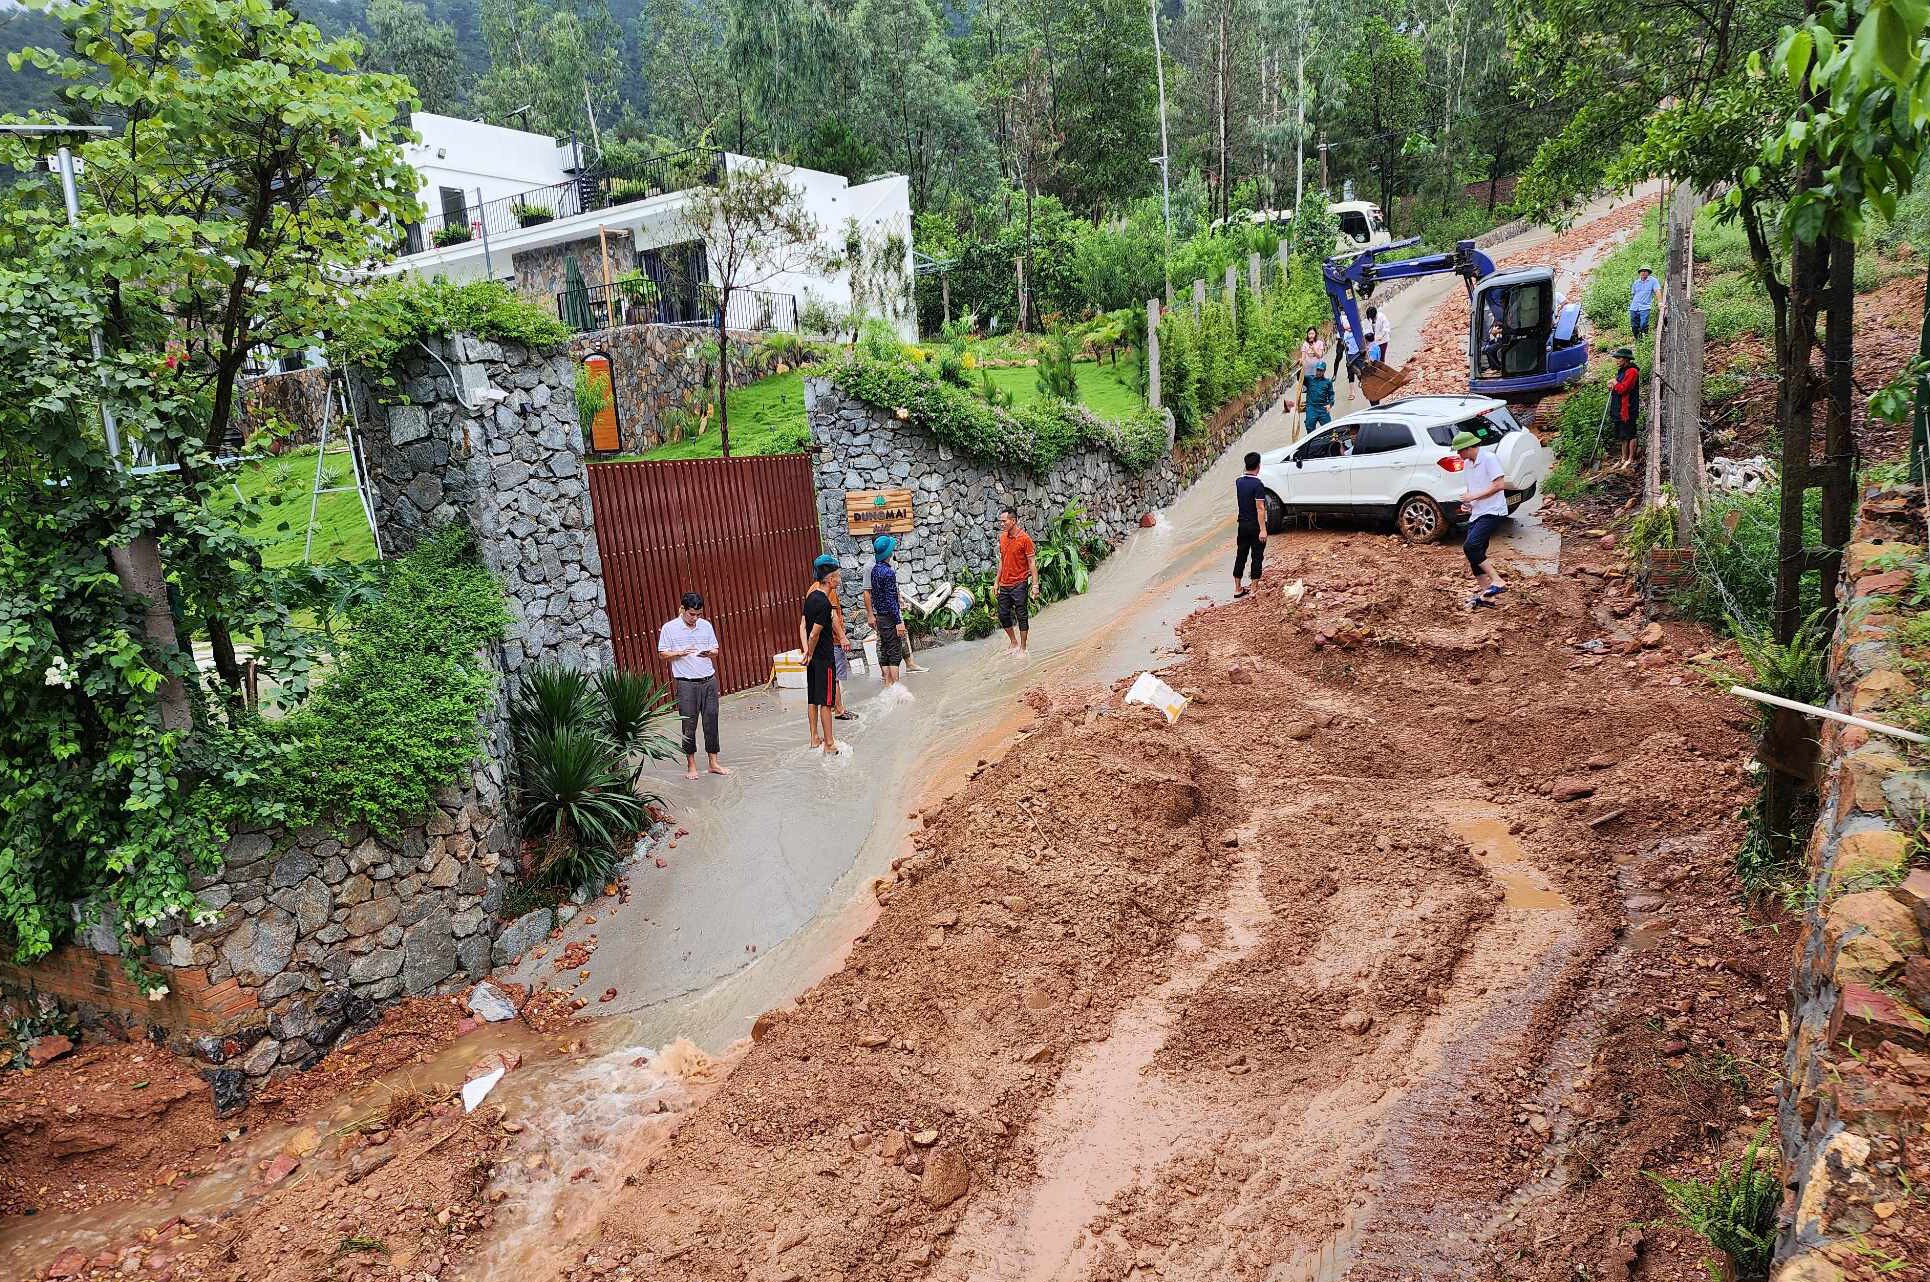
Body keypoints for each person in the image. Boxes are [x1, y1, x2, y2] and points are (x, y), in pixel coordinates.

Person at [658, 591, 728, 780]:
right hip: (686, 683)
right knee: (688, 724)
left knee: (711, 721)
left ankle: (713, 762)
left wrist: (710, 653)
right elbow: (662, 654)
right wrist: (679, 653)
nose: (695, 618)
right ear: (682, 609)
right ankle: (691, 765)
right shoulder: (669, 628)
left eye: (698, 614)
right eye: (691, 614)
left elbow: (716, 649)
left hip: (709, 680)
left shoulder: (705, 626)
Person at [1452, 430, 1510, 609]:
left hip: (1493, 511)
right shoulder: (1468, 464)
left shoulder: (1489, 459)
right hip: (1477, 512)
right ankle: (1488, 596)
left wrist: (1473, 496)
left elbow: (1499, 485)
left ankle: (1498, 581)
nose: (1458, 454)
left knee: (1471, 546)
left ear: (1469, 447)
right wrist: (1468, 504)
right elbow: (1473, 488)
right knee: (1474, 554)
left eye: (1459, 450)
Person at [801, 557, 841, 753]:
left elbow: (802, 626)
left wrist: (806, 652)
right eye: (837, 576)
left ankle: (813, 737)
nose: (839, 579)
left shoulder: (810, 597)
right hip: (824, 658)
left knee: (812, 699)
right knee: (826, 701)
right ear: (830, 579)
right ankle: (829, 743)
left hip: (812, 659)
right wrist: (810, 649)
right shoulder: (824, 604)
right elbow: (815, 633)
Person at [864, 535, 911, 686]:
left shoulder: (875, 570)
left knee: (884, 650)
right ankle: (897, 687)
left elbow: (877, 596)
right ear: (889, 554)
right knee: (894, 653)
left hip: (880, 617)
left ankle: (887, 685)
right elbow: (891, 600)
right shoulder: (888, 573)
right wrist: (898, 622)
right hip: (890, 618)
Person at [995, 507, 1038, 655]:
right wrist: (996, 582)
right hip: (1004, 584)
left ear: (1013, 521)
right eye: (1000, 521)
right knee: (1002, 614)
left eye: (1004, 521)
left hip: (1019, 583)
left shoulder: (1025, 538)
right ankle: (1013, 642)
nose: (1001, 524)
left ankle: (1023, 648)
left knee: (1021, 615)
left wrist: (1035, 586)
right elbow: (1002, 560)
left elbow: (1032, 563)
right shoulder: (1002, 538)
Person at [1233, 451, 1268, 598]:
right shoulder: (1258, 485)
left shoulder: (1238, 482)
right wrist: (1263, 530)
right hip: (1254, 525)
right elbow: (1260, 509)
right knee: (1257, 556)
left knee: (1241, 555)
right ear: (1258, 466)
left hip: (1242, 525)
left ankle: (1238, 588)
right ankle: (1254, 589)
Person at [1609, 347, 1640, 469]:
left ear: (1626, 359)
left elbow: (1623, 389)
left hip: (1628, 408)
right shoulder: (1621, 371)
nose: (1617, 360)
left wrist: (1615, 383)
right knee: (1622, 435)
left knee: (1630, 433)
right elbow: (1617, 387)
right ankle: (1623, 458)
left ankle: (1631, 459)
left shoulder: (1632, 372)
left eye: (1619, 358)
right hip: (1619, 408)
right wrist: (1611, 384)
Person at [1303, 359, 1335, 435]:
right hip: (1311, 407)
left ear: (1324, 371)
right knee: (1309, 425)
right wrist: (1301, 365)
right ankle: (1312, 443)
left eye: (1321, 370)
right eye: (1317, 370)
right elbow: (1299, 377)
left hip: (1323, 407)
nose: (1319, 372)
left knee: (1329, 429)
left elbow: (1331, 394)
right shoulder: (1309, 379)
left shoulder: (1328, 382)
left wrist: (1330, 404)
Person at [1629, 266, 1658, 337]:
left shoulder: (1653, 281)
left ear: (1648, 273)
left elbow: (1657, 291)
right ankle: (1638, 339)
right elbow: (1633, 294)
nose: (1643, 273)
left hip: (1645, 307)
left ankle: (1645, 336)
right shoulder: (1636, 283)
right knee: (1634, 326)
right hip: (1634, 307)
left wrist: (1660, 302)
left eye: (1645, 271)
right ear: (1639, 273)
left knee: (1643, 324)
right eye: (1642, 271)